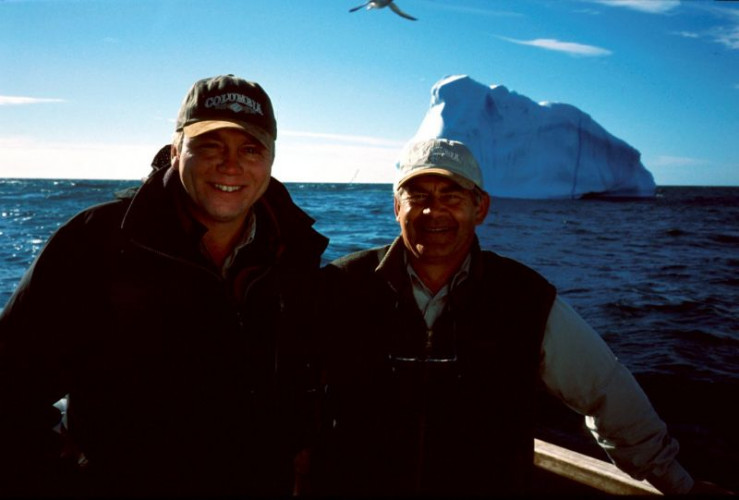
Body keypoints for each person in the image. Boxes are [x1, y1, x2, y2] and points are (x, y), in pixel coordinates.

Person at [313, 137, 720, 495]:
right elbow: (293, 390)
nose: (433, 212)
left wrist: (677, 484)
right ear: (396, 207)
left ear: (481, 208)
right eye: (417, 197)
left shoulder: (523, 297)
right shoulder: (342, 285)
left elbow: (605, 389)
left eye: (452, 197)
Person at [0, 75, 328, 496]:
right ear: (175, 152)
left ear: (271, 159)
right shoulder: (96, 240)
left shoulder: (294, 250)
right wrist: (61, 476)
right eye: (210, 146)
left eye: (250, 149)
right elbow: (10, 385)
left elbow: (303, 381)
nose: (231, 165)